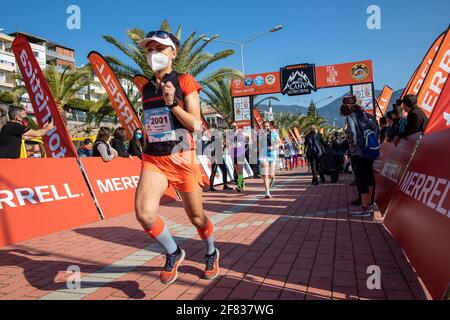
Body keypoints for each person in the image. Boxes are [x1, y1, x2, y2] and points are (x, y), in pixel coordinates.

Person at [135, 30, 219, 285]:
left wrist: (173, 104)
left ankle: (211, 251)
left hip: (182, 156)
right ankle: (173, 251)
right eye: (149, 49)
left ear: (173, 53)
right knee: (144, 213)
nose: (153, 54)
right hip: (154, 159)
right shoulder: (146, 87)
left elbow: (196, 125)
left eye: (159, 49)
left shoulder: (185, 81)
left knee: (196, 217)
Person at [340, 95, 379, 217]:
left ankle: (364, 207)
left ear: (347, 106)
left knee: (361, 179)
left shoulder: (351, 117)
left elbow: (352, 131)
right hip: (369, 151)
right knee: (369, 175)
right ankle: (370, 202)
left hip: (358, 152)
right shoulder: (367, 116)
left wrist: (353, 144)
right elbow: (376, 129)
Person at [259, 121, 281, 199]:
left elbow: (280, 143)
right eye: (264, 127)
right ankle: (267, 192)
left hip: (272, 155)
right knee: (265, 175)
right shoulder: (260, 134)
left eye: (267, 126)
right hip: (263, 155)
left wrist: (273, 147)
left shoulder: (274, 134)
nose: (266, 128)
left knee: (271, 174)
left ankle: (273, 177)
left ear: (270, 127)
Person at [229, 121, 246, 192]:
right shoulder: (230, 134)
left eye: (234, 126)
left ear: (237, 126)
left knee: (240, 170)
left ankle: (240, 185)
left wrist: (244, 146)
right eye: (232, 126)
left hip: (240, 153)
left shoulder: (241, 132)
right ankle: (242, 183)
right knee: (237, 170)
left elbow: (247, 139)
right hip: (233, 153)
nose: (233, 127)